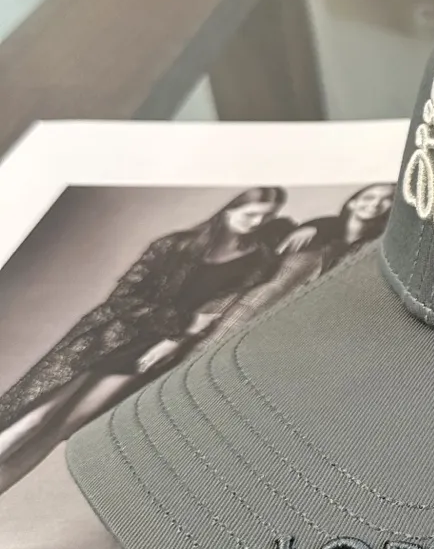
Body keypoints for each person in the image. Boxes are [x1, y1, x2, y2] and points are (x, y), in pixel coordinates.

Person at [0, 189, 289, 498]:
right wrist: (182, 322)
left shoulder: (258, 260)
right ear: (229, 209)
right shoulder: (175, 245)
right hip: (105, 339)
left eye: (267, 216)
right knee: (34, 420)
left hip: (150, 352)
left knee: (59, 431)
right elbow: (122, 299)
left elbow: (218, 311)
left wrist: (175, 340)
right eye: (250, 214)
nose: (257, 222)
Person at [217, 182, 395, 334]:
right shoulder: (311, 234)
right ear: (352, 202)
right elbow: (260, 272)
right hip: (254, 308)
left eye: (387, 199)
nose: (376, 203)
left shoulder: (377, 246)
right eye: (369, 197)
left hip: (303, 322)